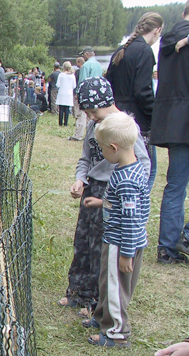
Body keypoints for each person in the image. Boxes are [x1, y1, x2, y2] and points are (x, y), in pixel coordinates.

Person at [58, 77, 151, 314]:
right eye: (86, 112)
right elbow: (85, 158)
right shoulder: (94, 126)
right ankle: (78, 291)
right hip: (92, 189)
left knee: (102, 246)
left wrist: (128, 193)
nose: (90, 117)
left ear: (107, 102)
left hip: (113, 193)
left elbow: (143, 164)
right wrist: (81, 179)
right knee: (83, 241)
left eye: (93, 111)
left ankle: (97, 301)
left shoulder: (123, 128)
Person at [81, 112, 150, 348]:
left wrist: (126, 254)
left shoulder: (126, 180)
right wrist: (103, 202)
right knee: (106, 282)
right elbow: (128, 205)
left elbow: (130, 220)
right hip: (121, 240)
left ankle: (116, 333)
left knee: (115, 287)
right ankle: (103, 317)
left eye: (102, 148)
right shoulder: (132, 169)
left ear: (113, 147)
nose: (101, 153)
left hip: (121, 243)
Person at [106, 12, 163, 193]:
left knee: (119, 168)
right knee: (147, 170)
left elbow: (109, 85)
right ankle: (139, 204)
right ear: (157, 30)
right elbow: (142, 91)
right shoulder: (145, 51)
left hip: (116, 117)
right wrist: (155, 115)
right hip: (137, 122)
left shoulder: (121, 50)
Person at [151, 2, 189, 264]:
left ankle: (167, 247)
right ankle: (183, 237)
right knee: (176, 186)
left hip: (174, 120)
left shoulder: (168, 38)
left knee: (175, 185)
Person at [68, 47, 103, 141]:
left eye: (83, 54)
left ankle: (78, 135)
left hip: (87, 94)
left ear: (87, 54)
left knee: (81, 115)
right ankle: (91, 135)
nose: (83, 56)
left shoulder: (86, 65)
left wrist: (78, 94)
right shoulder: (98, 65)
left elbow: (82, 82)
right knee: (93, 116)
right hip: (96, 94)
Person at [68, 56, 85, 141]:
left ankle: (78, 131)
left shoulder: (78, 72)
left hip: (77, 94)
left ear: (79, 62)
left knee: (78, 112)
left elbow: (75, 83)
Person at [55, 61, 76, 126]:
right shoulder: (72, 75)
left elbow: (58, 84)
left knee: (61, 109)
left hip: (62, 92)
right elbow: (74, 85)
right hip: (69, 93)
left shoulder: (61, 75)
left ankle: (60, 123)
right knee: (67, 109)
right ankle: (66, 123)